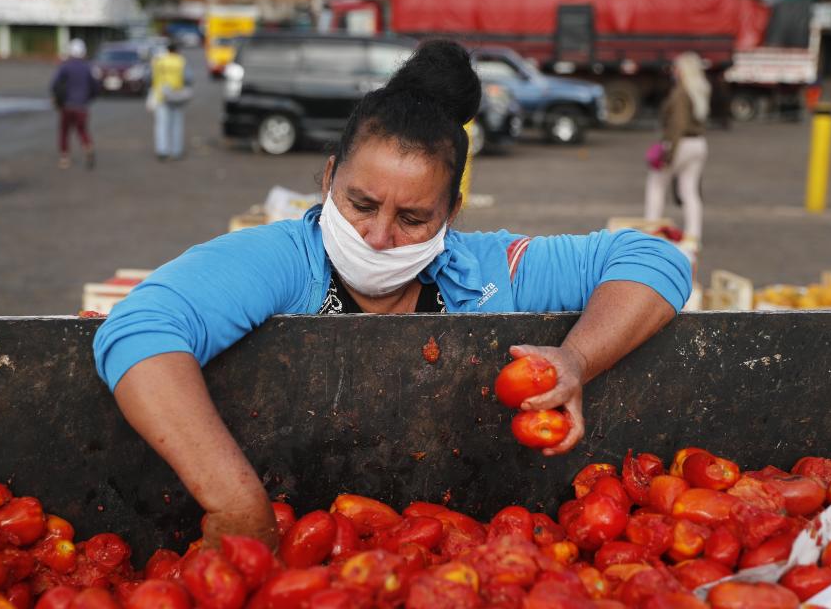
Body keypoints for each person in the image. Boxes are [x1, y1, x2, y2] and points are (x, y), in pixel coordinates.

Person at [93, 40, 692, 548]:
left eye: (412, 217)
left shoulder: (482, 269)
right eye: (359, 204)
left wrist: (577, 360)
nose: (378, 238)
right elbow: (140, 330)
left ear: (452, 212)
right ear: (329, 178)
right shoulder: (282, 260)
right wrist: (236, 503)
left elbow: (654, 259)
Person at [644, 52, 711, 246]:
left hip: (680, 143)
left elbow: (677, 125)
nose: (673, 71)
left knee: (656, 184)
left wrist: (669, 152)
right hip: (699, 143)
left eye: (676, 68)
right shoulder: (700, 90)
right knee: (689, 190)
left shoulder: (680, 93)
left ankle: (651, 227)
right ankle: (693, 234)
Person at [50, 39, 97, 170]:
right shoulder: (87, 67)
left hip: (67, 105)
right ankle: (88, 147)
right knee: (82, 130)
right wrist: (88, 98)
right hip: (82, 106)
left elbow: (54, 84)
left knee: (64, 131)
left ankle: (64, 158)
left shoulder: (65, 66)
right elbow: (94, 86)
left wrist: (56, 98)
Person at [149, 41, 191, 160]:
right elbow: (189, 78)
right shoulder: (181, 61)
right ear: (177, 50)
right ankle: (176, 151)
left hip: (161, 96)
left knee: (161, 125)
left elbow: (150, 77)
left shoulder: (159, 61)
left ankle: (162, 151)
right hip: (177, 96)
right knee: (176, 124)